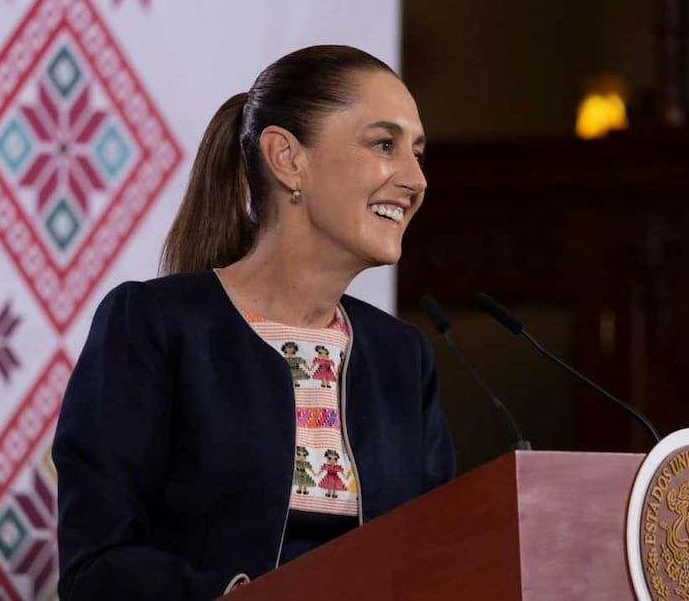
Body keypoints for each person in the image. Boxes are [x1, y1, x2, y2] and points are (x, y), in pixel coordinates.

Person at [53, 45, 456, 600]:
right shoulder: (153, 324)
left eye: (418, 154)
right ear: (287, 158)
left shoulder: (402, 357)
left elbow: (439, 557)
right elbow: (96, 565)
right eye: (384, 145)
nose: (416, 180)